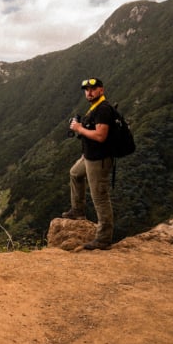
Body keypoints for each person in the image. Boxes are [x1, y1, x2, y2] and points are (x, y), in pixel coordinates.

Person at [62, 77, 115, 250]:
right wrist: (80, 127)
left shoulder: (103, 109)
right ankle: (78, 211)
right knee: (75, 173)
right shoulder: (95, 107)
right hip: (89, 156)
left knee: (100, 197)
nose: (89, 92)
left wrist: (79, 129)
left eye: (93, 89)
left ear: (101, 89)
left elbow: (101, 136)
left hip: (99, 160)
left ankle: (103, 239)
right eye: (86, 90)